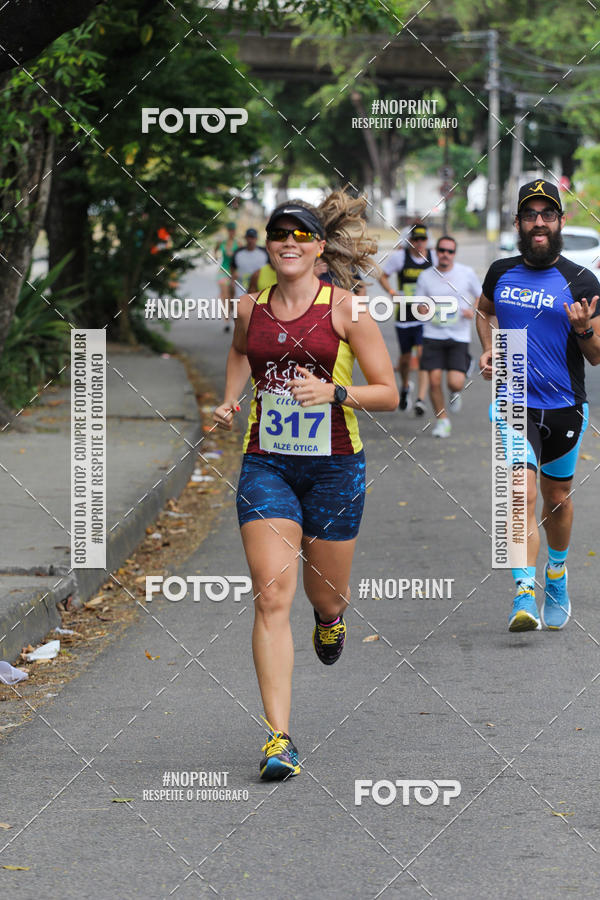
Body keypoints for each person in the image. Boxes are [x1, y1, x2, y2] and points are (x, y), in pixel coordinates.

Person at [213, 192, 398, 780]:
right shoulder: (252, 306)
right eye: (279, 234)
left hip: (336, 468)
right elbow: (242, 352)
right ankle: (278, 739)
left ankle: (329, 621)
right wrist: (230, 397)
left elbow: (389, 392)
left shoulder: (348, 309)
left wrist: (335, 392)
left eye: (301, 235)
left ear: (319, 247)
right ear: (268, 245)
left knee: (327, 596)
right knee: (271, 596)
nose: (288, 243)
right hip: (266, 463)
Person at [476, 179, 600, 632]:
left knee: (557, 499)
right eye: (531, 215)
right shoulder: (500, 271)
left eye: (548, 214)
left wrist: (585, 329)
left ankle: (557, 573)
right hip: (511, 399)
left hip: (565, 405)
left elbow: (597, 354)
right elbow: (483, 310)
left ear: (561, 222)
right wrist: (488, 347)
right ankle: (523, 591)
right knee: (517, 493)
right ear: (519, 224)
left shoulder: (581, 280)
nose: (539, 222)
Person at [415, 235, 481, 437]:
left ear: (454, 254)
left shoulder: (466, 273)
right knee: (434, 381)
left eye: (449, 251)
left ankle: (456, 388)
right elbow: (418, 304)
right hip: (432, 333)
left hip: (458, 335)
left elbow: (480, 296)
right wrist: (423, 308)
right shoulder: (425, 276)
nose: (445, 254)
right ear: (436, 252)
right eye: (441, 250)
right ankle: (442, 421)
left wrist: (473, 310)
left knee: (455, 383)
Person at [379, 223, 437, 415]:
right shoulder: (400, 258)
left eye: (423, 239)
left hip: (424, 315)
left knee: (422, 355)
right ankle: (405, 386)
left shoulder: (433, 257)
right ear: (410, 241)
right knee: (405, 359)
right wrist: (392, 292)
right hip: (404, 314)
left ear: (427, 241)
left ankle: (420, 400)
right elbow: (383, 276)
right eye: (416, 239)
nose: (419, 243)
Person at [230, 228, 269, 297]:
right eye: (248, 237)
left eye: (252, 237)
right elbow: (232, 267)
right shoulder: (238, 252)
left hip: (260, 288)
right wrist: (233, 281)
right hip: (241, 287)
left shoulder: (264, 252)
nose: (250, 240)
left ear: (257, 239)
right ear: (245, 238)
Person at [215, 222, 238, 331]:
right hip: (223, 270)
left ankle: (231, 312)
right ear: (227, 231)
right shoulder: (222, 242)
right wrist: (215, 256)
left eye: (233, 230)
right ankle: (226, 321)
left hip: (233, 272)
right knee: (226, 295)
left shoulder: (238, 243)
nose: (231, 232)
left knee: (232, 296)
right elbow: (215, 250)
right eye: (230, 230)